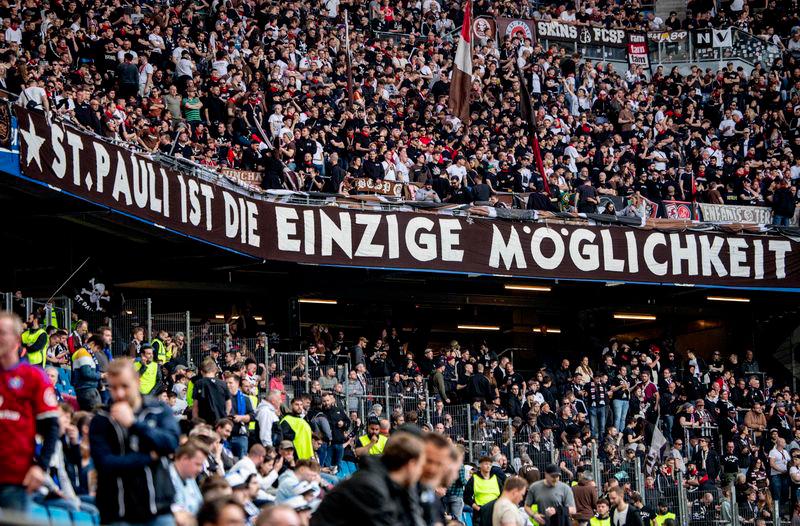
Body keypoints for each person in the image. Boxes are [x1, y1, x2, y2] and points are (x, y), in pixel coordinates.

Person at [89, 358, 181, 525]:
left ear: (137, 382)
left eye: (125, 386)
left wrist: (134, 424)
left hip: (158, 509)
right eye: (113, 387)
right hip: (118, 513)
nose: (120, 393)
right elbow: (105, 463)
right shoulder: (101, 419)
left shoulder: (159, 410)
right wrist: (148, 457)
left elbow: (172, 443)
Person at [0, 311, 59, 512]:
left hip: (15, 480)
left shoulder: (34, 377)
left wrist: (40, 467)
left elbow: (51, 427)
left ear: (17, 339)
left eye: (2, 333)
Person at [310, 431, 426, 526]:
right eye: (421, 466)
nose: (422, 472)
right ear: (411, 464)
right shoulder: (370, 486)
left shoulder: (389, 483)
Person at [170, 440, 208, 515]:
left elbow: (200, 504)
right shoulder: (168, 479)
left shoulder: (190, 477)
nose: (200, 469)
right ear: (184, 459)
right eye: (197, 464)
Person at [193, 357, 232, 424]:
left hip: (204, 422)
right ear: (215, 371)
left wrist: (195, 421)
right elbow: (229, 403)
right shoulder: (223, 383)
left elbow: (195, 405)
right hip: (220, 422)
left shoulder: (199, 383)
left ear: (201, 371)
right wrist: (225, 415)